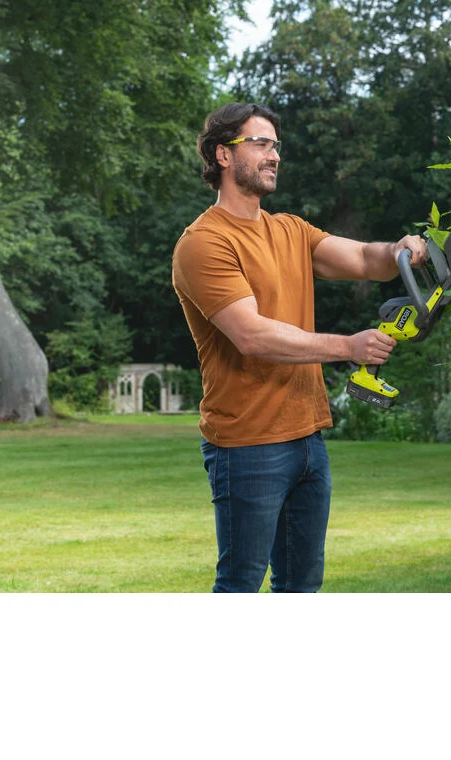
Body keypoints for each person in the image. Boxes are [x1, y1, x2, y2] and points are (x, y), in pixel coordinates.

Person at [172, 102, 427, 593]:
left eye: (276, 146)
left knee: (302, 586)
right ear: (223, 154)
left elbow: (363, 258)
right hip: (247, 445)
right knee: (240, 584)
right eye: (260, 144)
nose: (274, 155)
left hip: (307, 438)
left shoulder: (289, 230)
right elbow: (251, 334)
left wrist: (398, 251)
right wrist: (347, 346)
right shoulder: (203, 243)